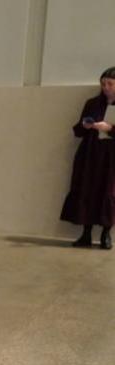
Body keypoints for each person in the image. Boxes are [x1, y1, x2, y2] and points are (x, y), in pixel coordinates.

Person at [61, 67, 115, 249]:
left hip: (111, 156)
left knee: (108, 192)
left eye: (110, 83)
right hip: (91, 154)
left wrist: (110, 129)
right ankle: (86, 234)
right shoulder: (92, 103)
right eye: (103, 83)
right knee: (87, 189)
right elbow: (77, 130)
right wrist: (85, 125)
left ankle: (106, 235)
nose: (105, 87)